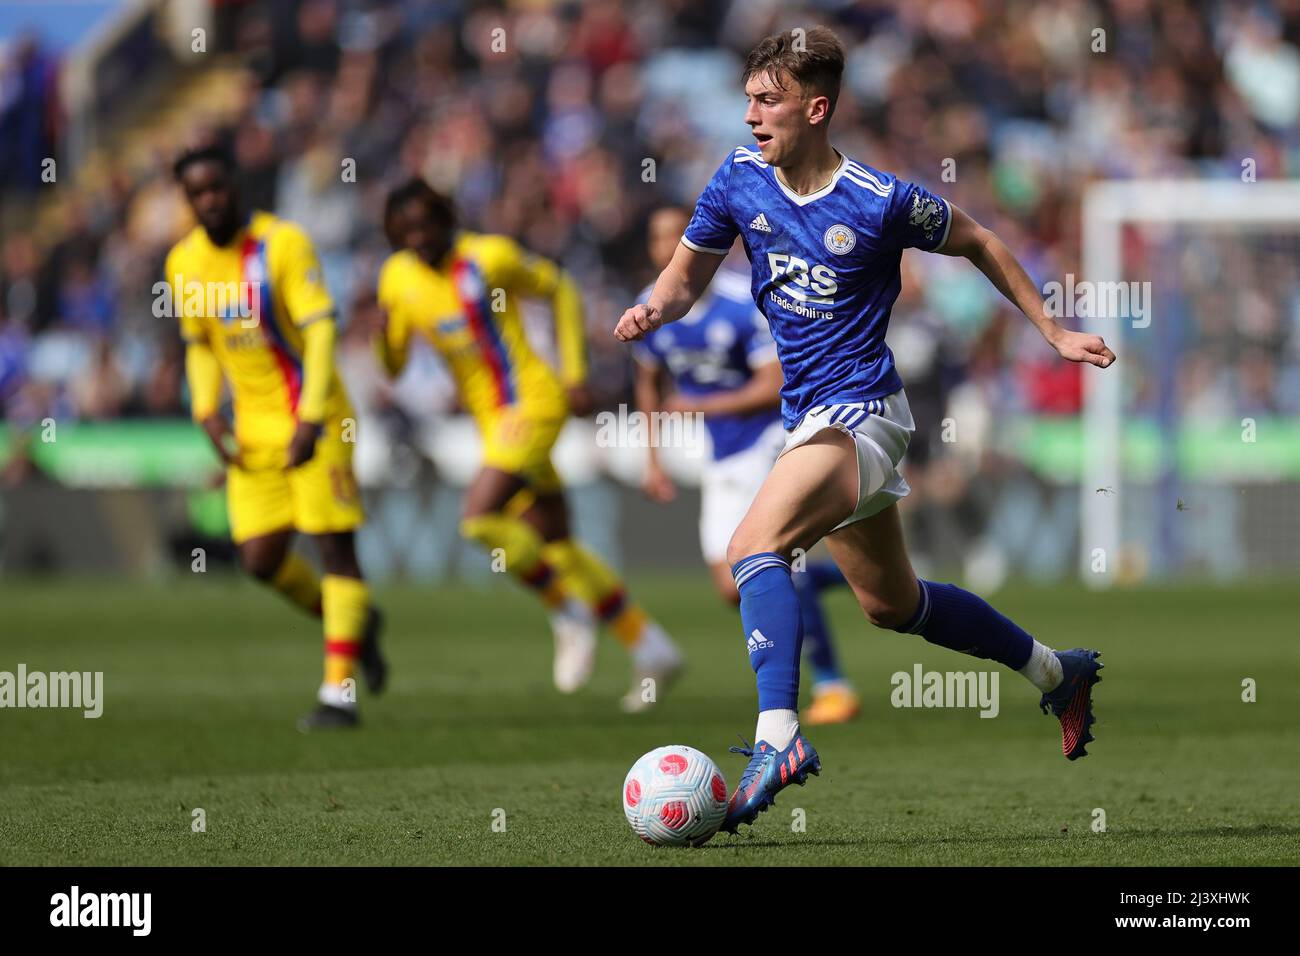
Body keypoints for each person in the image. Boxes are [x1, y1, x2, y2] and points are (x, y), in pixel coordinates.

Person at [614, 27, 1113, 833]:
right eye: (746, 100)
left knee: (751, 549)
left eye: (767, 101)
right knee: (892, 604)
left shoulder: (880, 200)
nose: (749, 117)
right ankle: (1058, 671)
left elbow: (980, 240)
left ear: (816, 109)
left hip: (864, 413)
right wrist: (651, 308)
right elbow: (683, 278)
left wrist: (1052, 333)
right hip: (808, 419)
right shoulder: (740, 181)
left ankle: (778, 737)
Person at [375, 178, 683, 712]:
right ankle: (651, 646)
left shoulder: (486, 258)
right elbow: (395, 366)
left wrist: (574, 371)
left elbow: (559, 287)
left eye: (427, 225)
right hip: (491, 421)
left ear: (447, 218)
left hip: (534, 403)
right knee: (557, 543)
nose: (420, 238)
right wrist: (385, 335)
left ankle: (565, 609)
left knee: (478, 519)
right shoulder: (397, 279)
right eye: (407, 232)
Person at [166, 143, 385, 732]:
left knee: (334, 546)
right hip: (253, 431)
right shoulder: (183, 264)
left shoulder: (281, 244)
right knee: (260, 560)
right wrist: (207, 410)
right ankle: (355, 624)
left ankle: (338, 693)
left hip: (317, 419)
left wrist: (312, 417)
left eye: (217, 187)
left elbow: (318, 332)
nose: (209, 200)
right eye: (197, 193)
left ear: (235, 185)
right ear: (187, 201)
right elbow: (200, 344)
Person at [633, 204, 859, 726]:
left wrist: (700, 406)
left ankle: (833, 685)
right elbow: (648, 385)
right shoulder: (651, 308)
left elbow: (772, 384)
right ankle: (855, 575)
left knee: (769, 560)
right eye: (658, 238)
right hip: (721, 457)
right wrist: (653, 461)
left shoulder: (741, 302)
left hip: (767, 443)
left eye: (678, 236)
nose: (669, 248)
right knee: (731, 586)